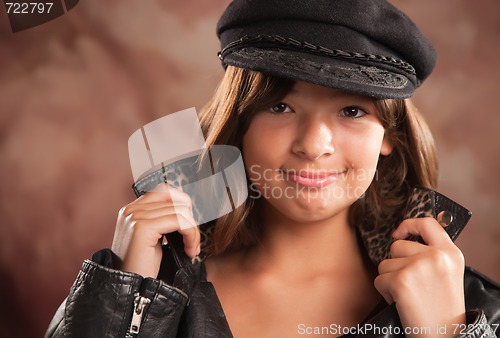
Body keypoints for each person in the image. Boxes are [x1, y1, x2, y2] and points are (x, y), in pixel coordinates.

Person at [45, 0, 500, 337]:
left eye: (352, 111)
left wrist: (448, 332)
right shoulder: (145, 281)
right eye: (280, 106)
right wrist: (125, 296)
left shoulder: (470, 307)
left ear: (389, 138)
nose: (312, 145)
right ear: (240, 125)